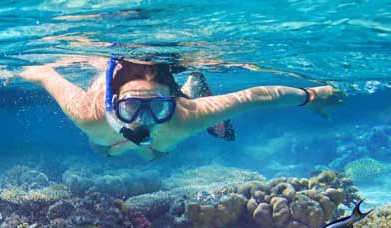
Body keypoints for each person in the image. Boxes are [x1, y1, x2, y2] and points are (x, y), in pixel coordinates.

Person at [19, 56, 342, 160]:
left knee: (154, 154)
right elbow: (46, 73)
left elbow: (257, 95)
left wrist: (310, 96)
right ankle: (190, 88)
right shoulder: (88, 113)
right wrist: (11, 72)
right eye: (131, 106)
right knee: (103, 149)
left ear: (172, 102)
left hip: (171, 123)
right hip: (105, 138)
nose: (144, 119)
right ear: (113, 102)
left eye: (158, 107)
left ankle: (190, 87)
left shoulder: (187, 116)